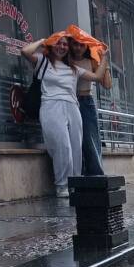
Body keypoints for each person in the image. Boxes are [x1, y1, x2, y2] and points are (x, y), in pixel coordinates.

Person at [21, 32, 108, 198]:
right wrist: (42, 40)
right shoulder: (42, 61)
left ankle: (74, 184)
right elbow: (25, 52)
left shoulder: (74, 68)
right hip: (51, 106)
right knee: (63, 146)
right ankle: (61, 185)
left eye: (65, 44)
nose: (62, 47)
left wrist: (103, 58)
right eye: (58, 43)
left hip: (72, 107)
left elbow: (97, 77)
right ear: (52, 45)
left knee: (75, 147)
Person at [69, 35, 112, 176]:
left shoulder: (91, 61)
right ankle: (78, 174)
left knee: (90, 139)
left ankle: (96, 175)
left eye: (82, 45)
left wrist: (103, 62)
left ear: (86, 46)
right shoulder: (66, 61)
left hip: (86, 101)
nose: (78, 48)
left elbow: (107, 85)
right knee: (73, 140)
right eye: (75, 44)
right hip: (69, 102)